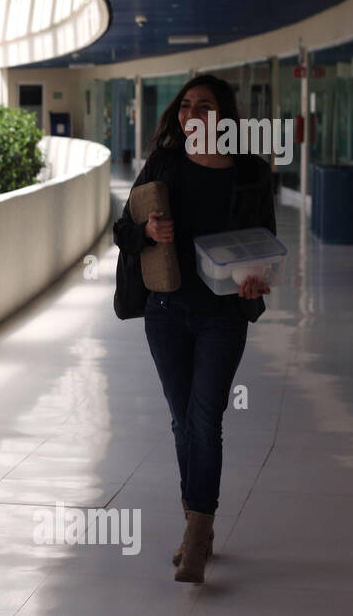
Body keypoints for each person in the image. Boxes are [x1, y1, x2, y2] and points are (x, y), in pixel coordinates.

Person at [113, 74, 277, 584]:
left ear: (224, 115)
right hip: (166, 309)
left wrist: (256, 281)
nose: (191, 115)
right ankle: (195, 521)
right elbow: (122, 230)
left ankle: (198, 537)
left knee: (205, 419)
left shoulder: (250, 170)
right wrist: (146, 232)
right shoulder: (164, 164)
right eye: (185, 107)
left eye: (203, 106)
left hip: (223, 314)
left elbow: (264, 241)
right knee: (182, 419)